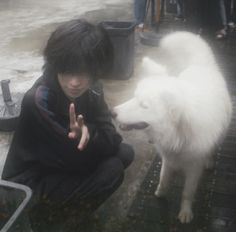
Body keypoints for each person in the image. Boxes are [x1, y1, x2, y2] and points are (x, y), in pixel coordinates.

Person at [1, 19, 134, 231]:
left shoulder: (94, 88)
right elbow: (80, 162)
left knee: (126, 153)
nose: (74, 82)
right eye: (67, 70)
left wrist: (90, 134)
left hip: (62, 161)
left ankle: (69, 209)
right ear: (56, 64)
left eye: (83, 72)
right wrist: (94, 141)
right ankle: (51, 221)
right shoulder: (39, 101)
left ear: (96, 70)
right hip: (29, 180)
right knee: (112, 169)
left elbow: (112, 137)